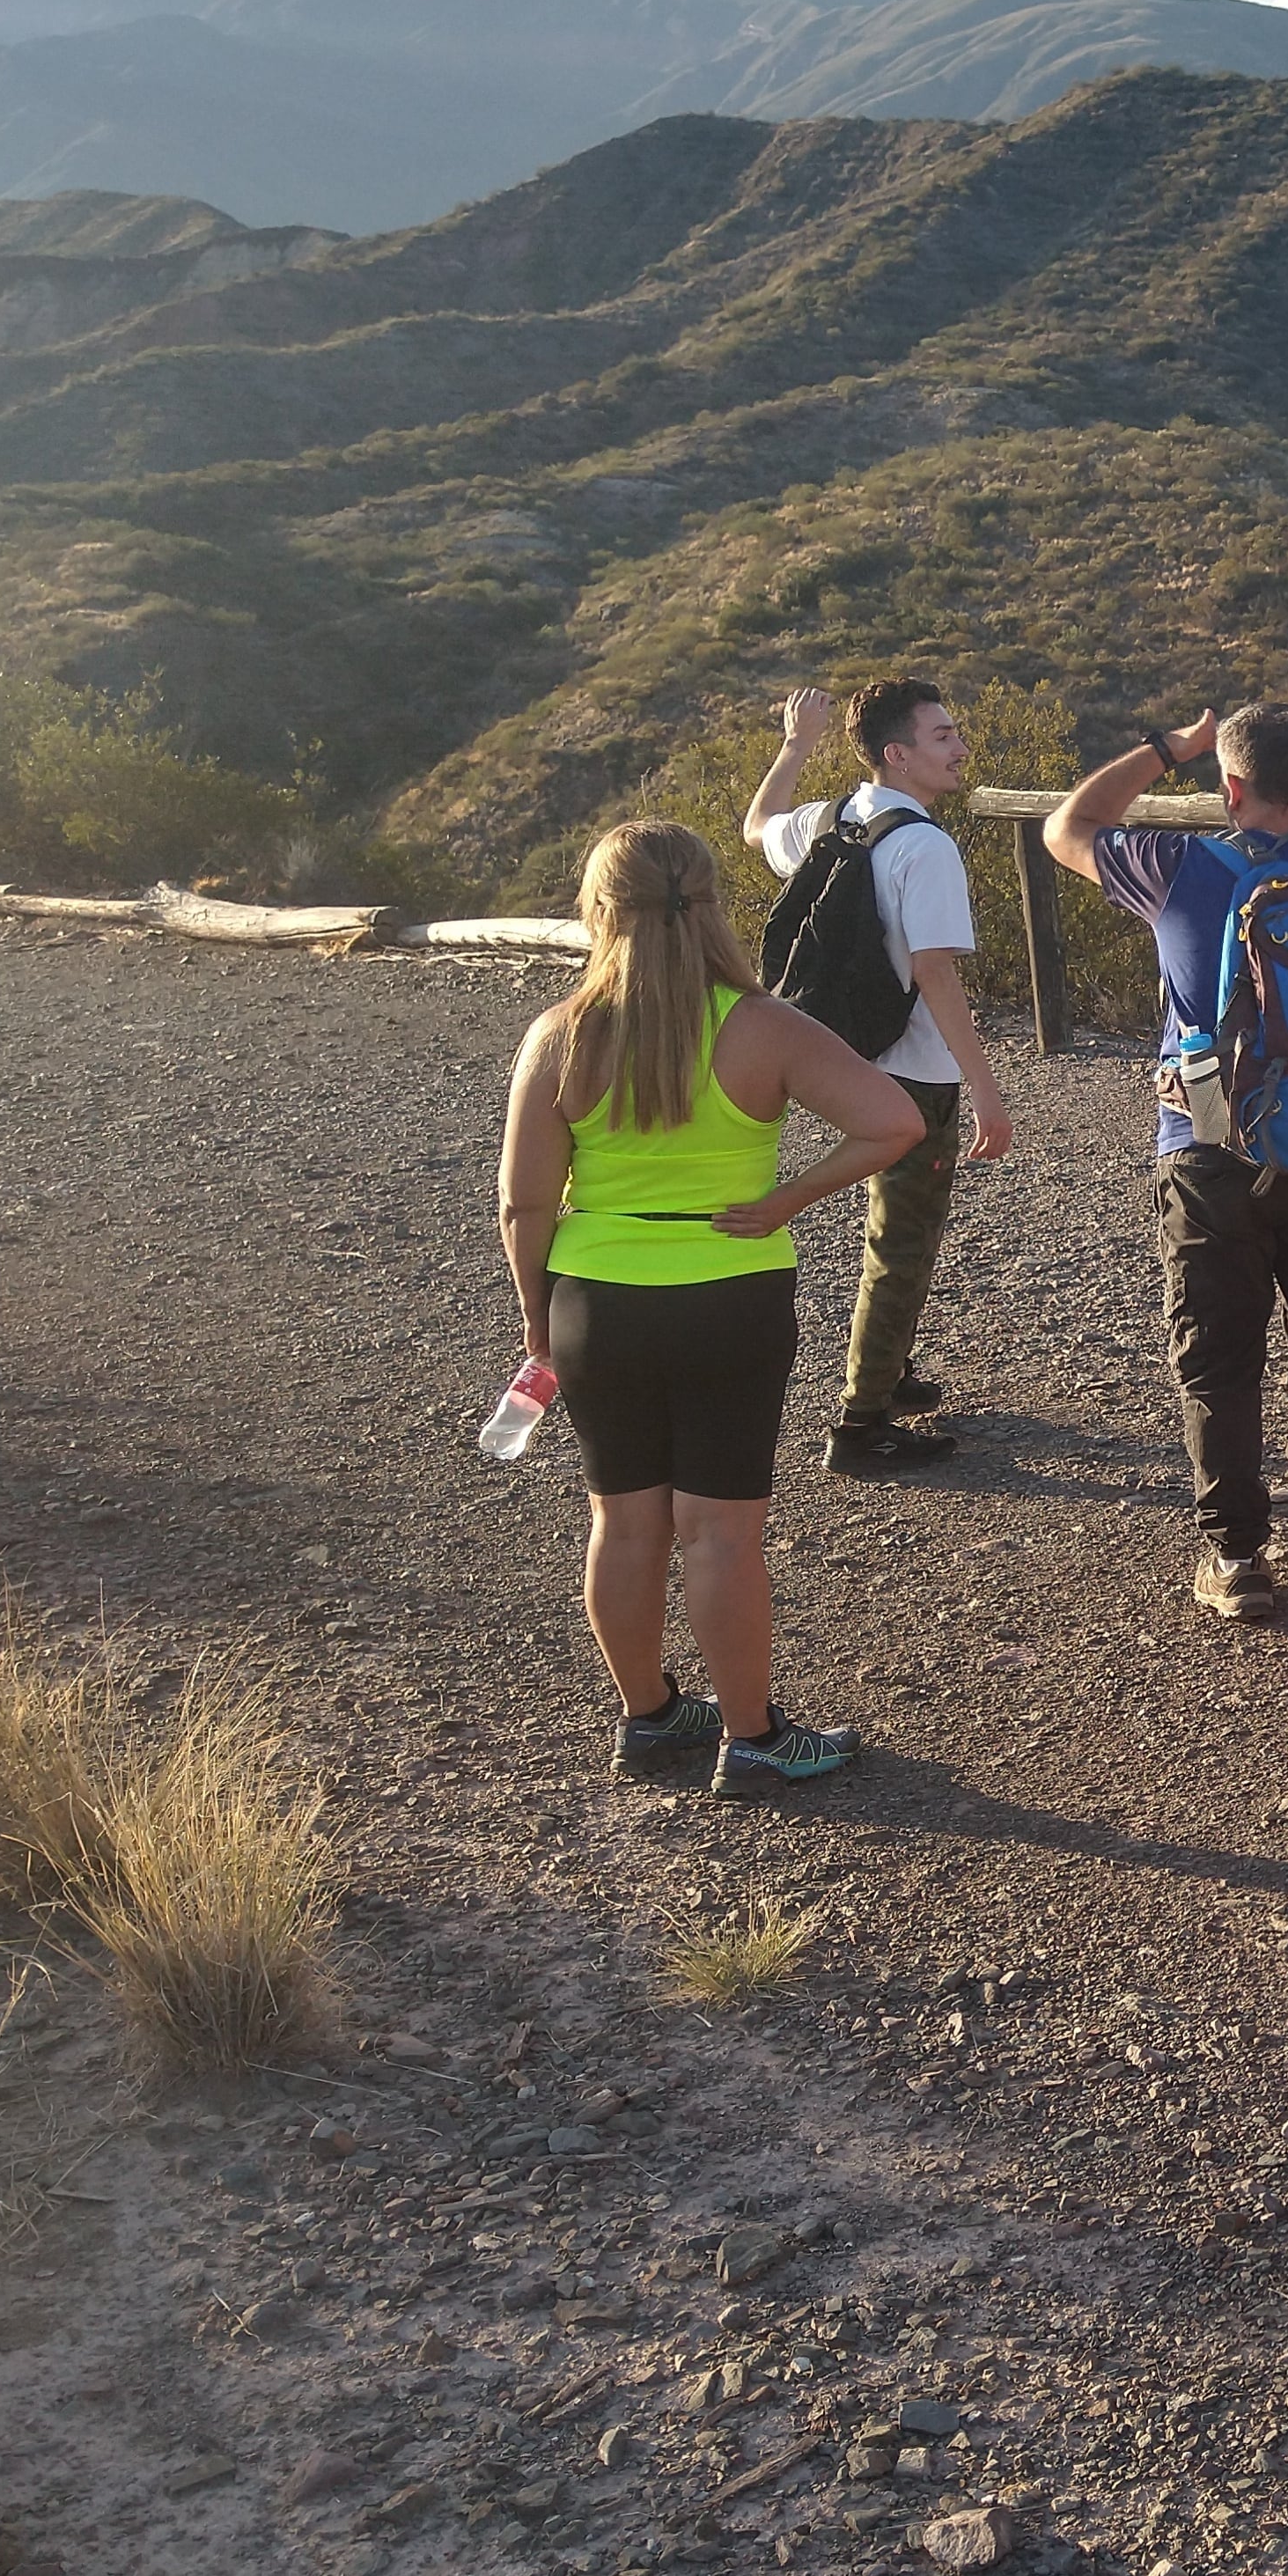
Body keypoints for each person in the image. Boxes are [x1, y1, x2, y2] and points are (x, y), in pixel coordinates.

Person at [497, 822, 926, 1796]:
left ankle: (648, 1719)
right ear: (712, 903)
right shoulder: (764, 1026)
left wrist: (539, 1317)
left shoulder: (561, 1033)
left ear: (600, 910)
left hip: (595, 1299)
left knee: (624, 1520)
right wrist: (785, 1201)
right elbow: (893, 1122)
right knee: (721, 1532)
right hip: (729, 1296)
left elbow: (523, 1205)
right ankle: (755, 1735)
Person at [1044, 703, 1288, 1618]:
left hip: (1210, 1149)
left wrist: (1166, 747)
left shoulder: (1178, 869)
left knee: (1218, 1357)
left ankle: (1236, 1559)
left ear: (1231, 788)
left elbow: (1064, 826)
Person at [743, 677, 1011, 1472]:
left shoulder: (832, 820)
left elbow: (757, 827)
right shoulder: (924, 846)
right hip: (917, 1072)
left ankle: (887, 1372)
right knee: (904, 1240)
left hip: (845, 1058)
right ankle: (861, 1425)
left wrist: (795, 747)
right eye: (942, 737)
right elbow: (935, 974)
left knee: (891, 1230)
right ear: (898, 753)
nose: (959, 747)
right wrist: (987, 1092)